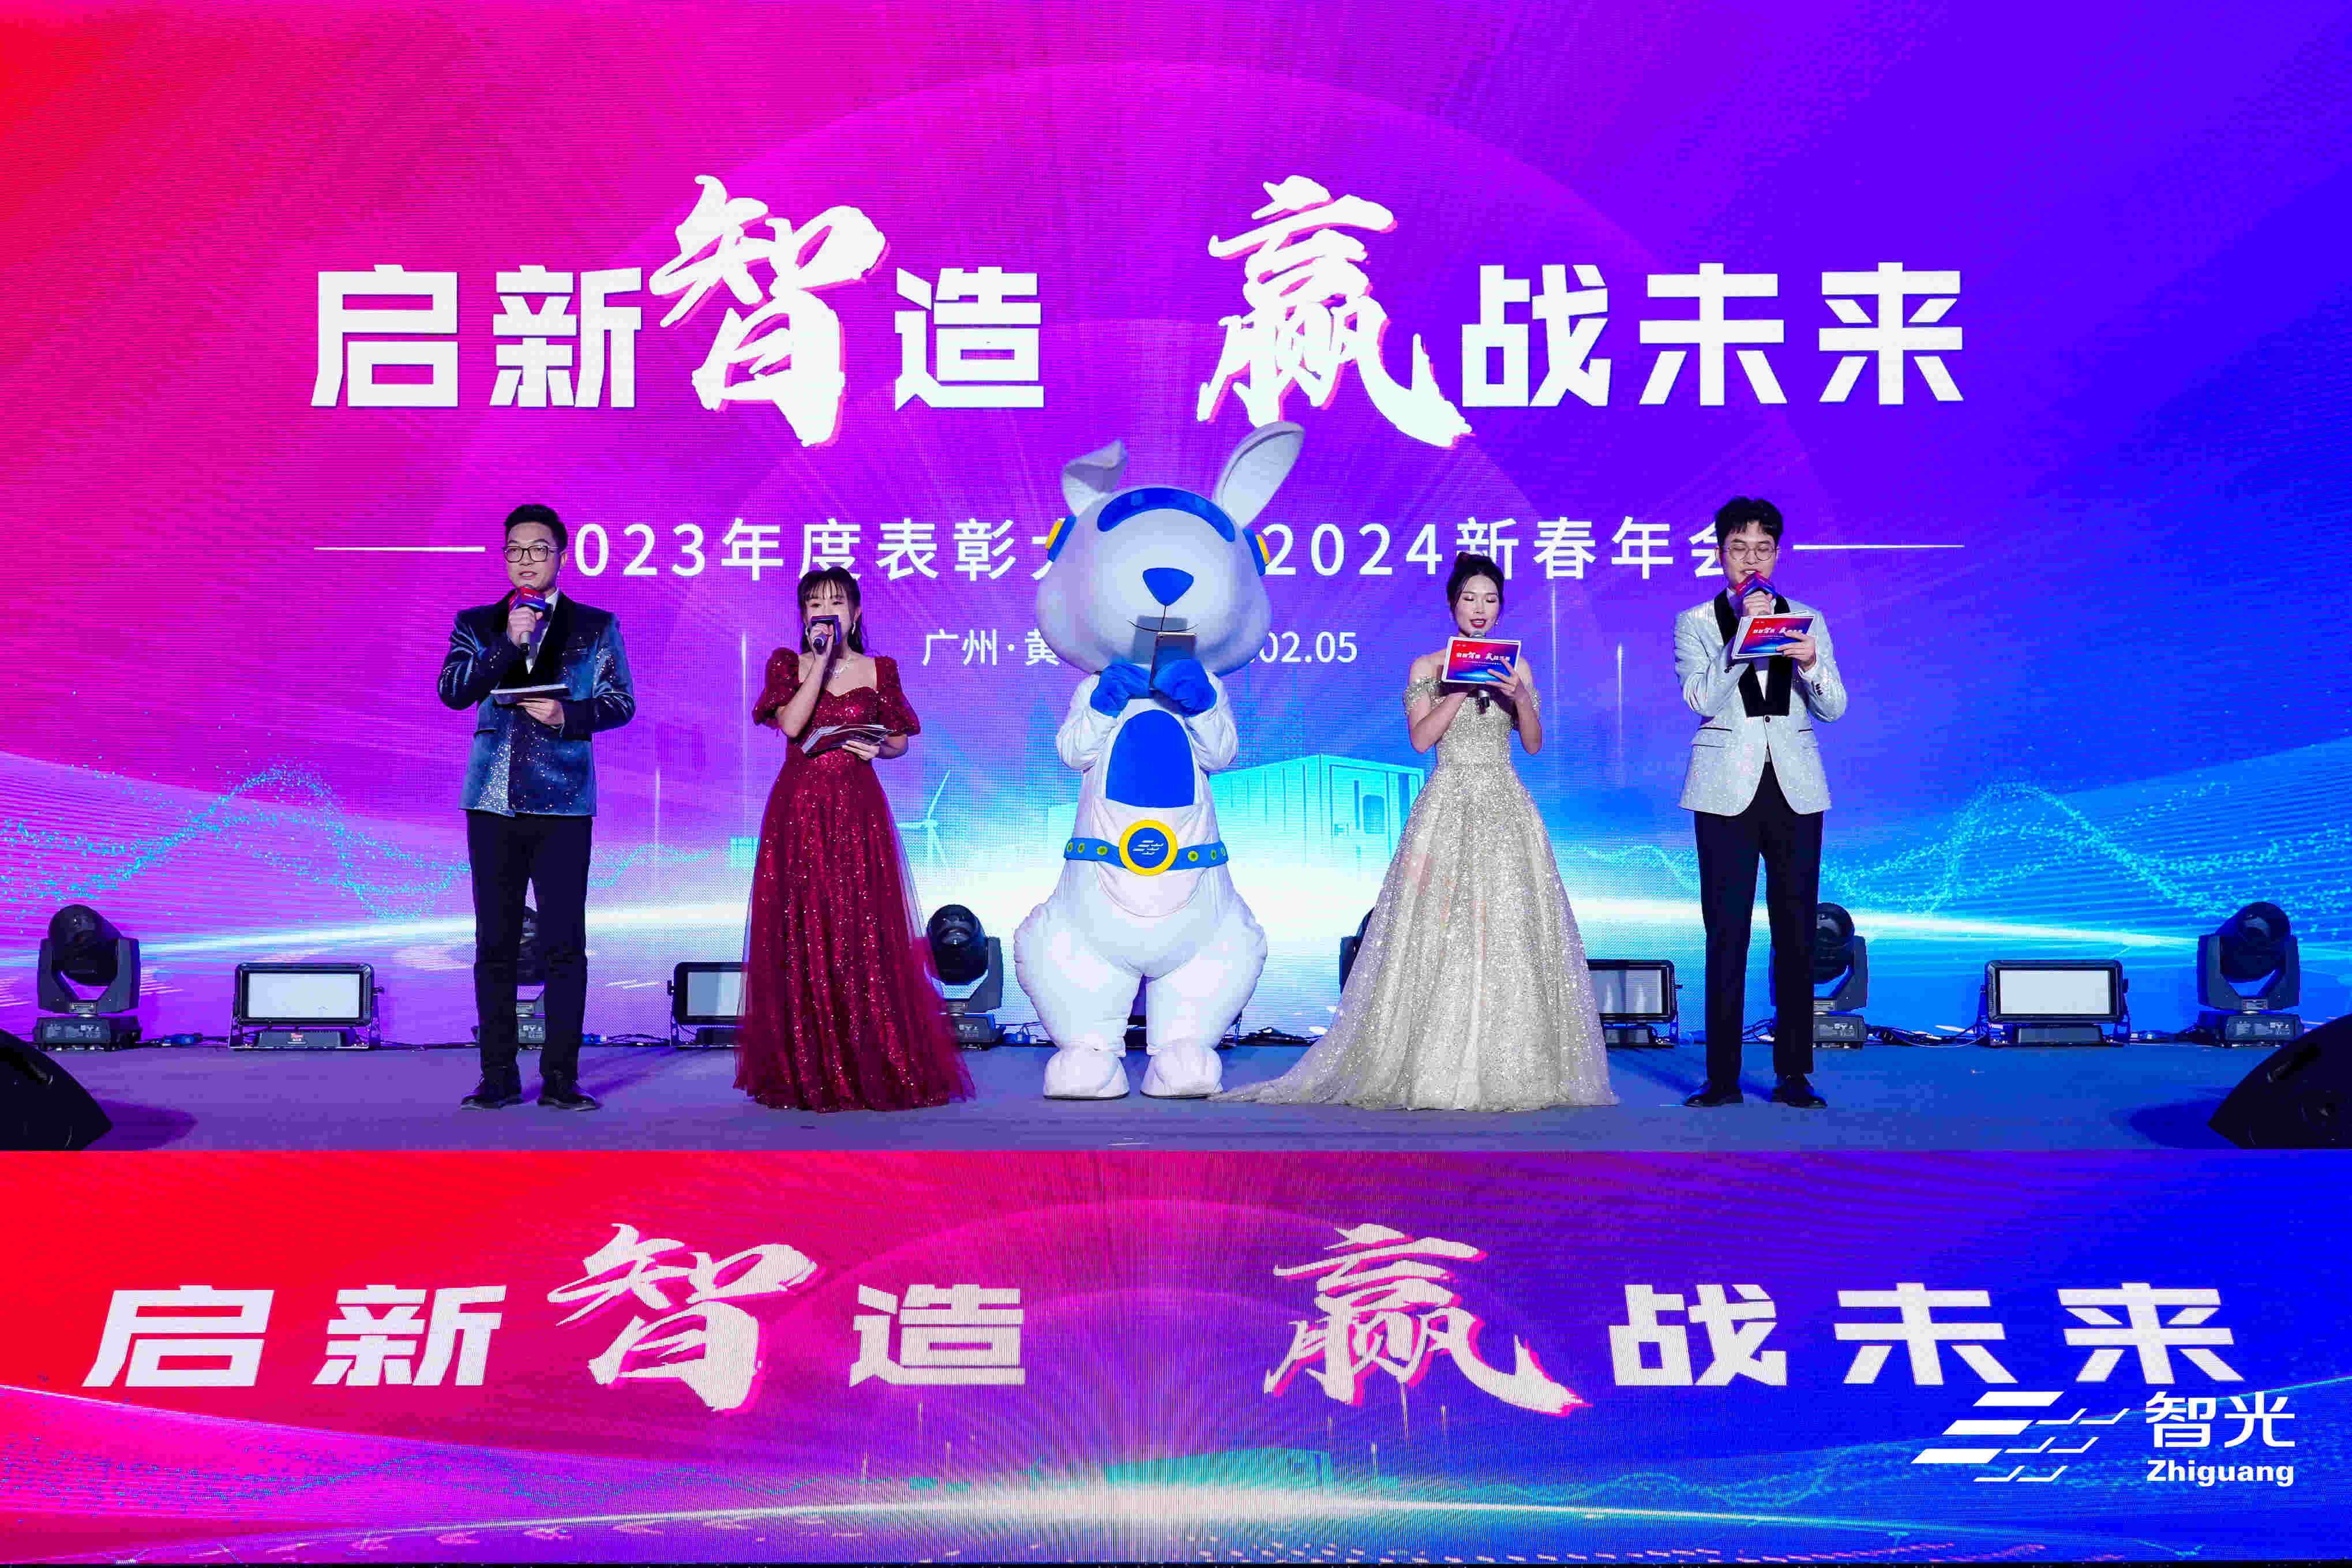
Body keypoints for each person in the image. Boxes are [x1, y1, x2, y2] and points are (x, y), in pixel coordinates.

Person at [1220, 553, 1615, 1111]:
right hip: (1448, 800)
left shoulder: (1518, 667)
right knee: (1436, 927)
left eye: (1490, 600)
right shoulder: (1426, 667)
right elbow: (1421, 740)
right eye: (1470, 598)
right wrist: (1458, 689)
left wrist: (1521, 697)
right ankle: (1431, 1060)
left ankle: (1510, 1060)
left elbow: (1532, 744)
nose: (1479, 609)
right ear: (1453, 604)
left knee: (1509, 928)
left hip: (1505, 803)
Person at [736, 567, 972, 1112]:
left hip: (857, 809)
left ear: (856, 613)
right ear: (803, 616)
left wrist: (878, 748)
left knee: (862, 927)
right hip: (799, 810)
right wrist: (819, 663)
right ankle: (808, 1065)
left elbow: (898, 742)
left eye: (837, 602)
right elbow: (792, 726)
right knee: (805, 926)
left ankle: (873, 1059)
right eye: (815, 603)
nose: (826, 611)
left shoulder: (879, 669)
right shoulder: (786, 663)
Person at [437, 502, 635, 1111]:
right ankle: (497, 1077)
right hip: (492, 802)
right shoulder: (478, 623)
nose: (527, 560)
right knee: (494, 944)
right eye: (516, 550)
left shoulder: (594, 626)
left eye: (539, 549)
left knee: (564, 945)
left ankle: (560, 1080)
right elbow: (452, 692)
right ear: (505, 558)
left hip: (565, 804)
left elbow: (620, 702)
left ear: (562, 556)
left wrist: (567, 714)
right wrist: (506, 643)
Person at [1673, 497, 1848, 1110]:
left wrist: (1812, 663)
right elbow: (1700, 698)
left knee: (1796, 933)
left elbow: (1833, 707)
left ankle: (1793, 1072)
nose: (1751, 560)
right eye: (1739, 548)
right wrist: (1741, 640)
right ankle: (1722, 1077)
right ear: (1720, 553)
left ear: (1777, 554)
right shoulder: (1697, 622)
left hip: (1795, 788)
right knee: (1726, 932)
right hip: (1724, 788)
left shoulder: (1807, 618)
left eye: (1763, 549)